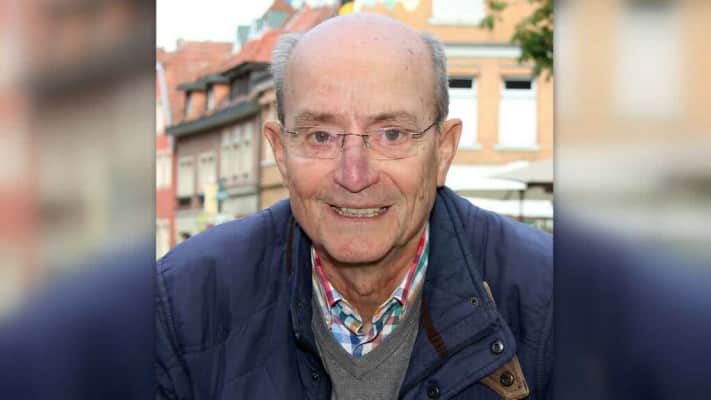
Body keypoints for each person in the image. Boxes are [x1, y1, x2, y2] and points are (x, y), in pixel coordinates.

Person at [156, 14, 552, 400]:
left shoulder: (555, 300)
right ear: (281, 153)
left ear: (443, 150)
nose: (354, 175)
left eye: (391, 134)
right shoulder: (182, 305)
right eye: (321, 136)